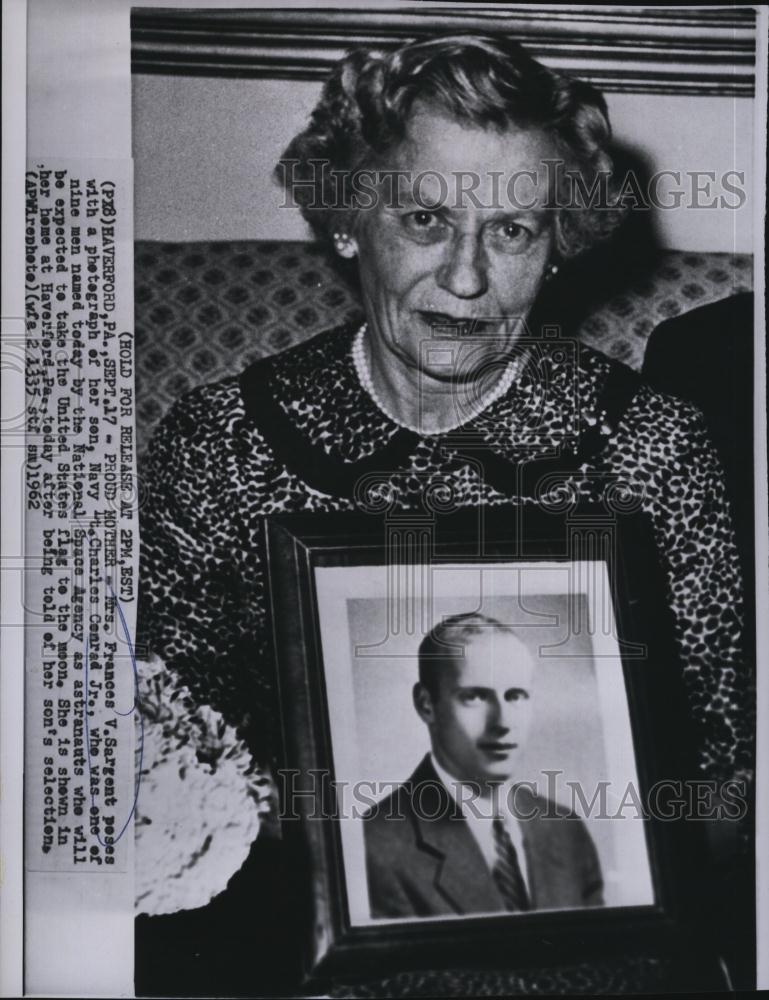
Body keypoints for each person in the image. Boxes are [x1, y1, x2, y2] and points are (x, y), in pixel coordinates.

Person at [137, 33, 751, 994]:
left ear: (556, 247)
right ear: (347, 221)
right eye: (425, 219)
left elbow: (733, 769)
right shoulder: (221, 442)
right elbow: (163, 749)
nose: (466, 279)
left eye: (512, 232)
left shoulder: (653, 449)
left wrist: (635, 865)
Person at [364, 613, 604, 919]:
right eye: (475, 696)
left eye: (515, 696)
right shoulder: (374, 850)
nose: (503, 722)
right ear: (426, 705)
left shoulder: (566, 830)